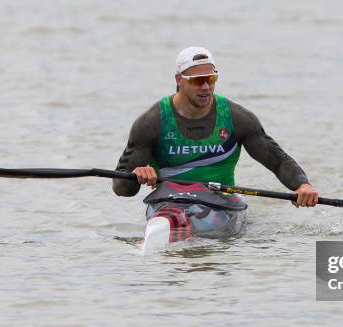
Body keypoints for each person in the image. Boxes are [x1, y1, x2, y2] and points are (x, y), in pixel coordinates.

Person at [112, 46, 318, 207]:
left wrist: (302, 185)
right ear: (178, 80)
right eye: (197, 80)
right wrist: (137, 176)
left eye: (211, 79)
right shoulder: (152, 122)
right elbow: (121, 189)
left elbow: (278, 162)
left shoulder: (237, 118)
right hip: (170, 203)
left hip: (222, 201)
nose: (206, 87)